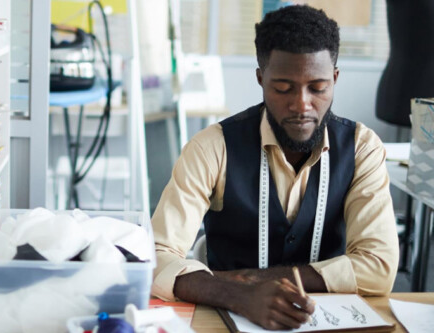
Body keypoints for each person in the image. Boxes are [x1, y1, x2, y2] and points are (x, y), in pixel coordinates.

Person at [151, 5, 399, 331]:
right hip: (227, 318)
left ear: (334, 78)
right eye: (283, 88)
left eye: (318, 87)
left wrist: (247, 281)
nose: (301, 104)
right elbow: (155, 257)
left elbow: (379, 267)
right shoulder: (212, 147)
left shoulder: (362, 148)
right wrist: (236, 294)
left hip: (329, 320)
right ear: (261, 78)